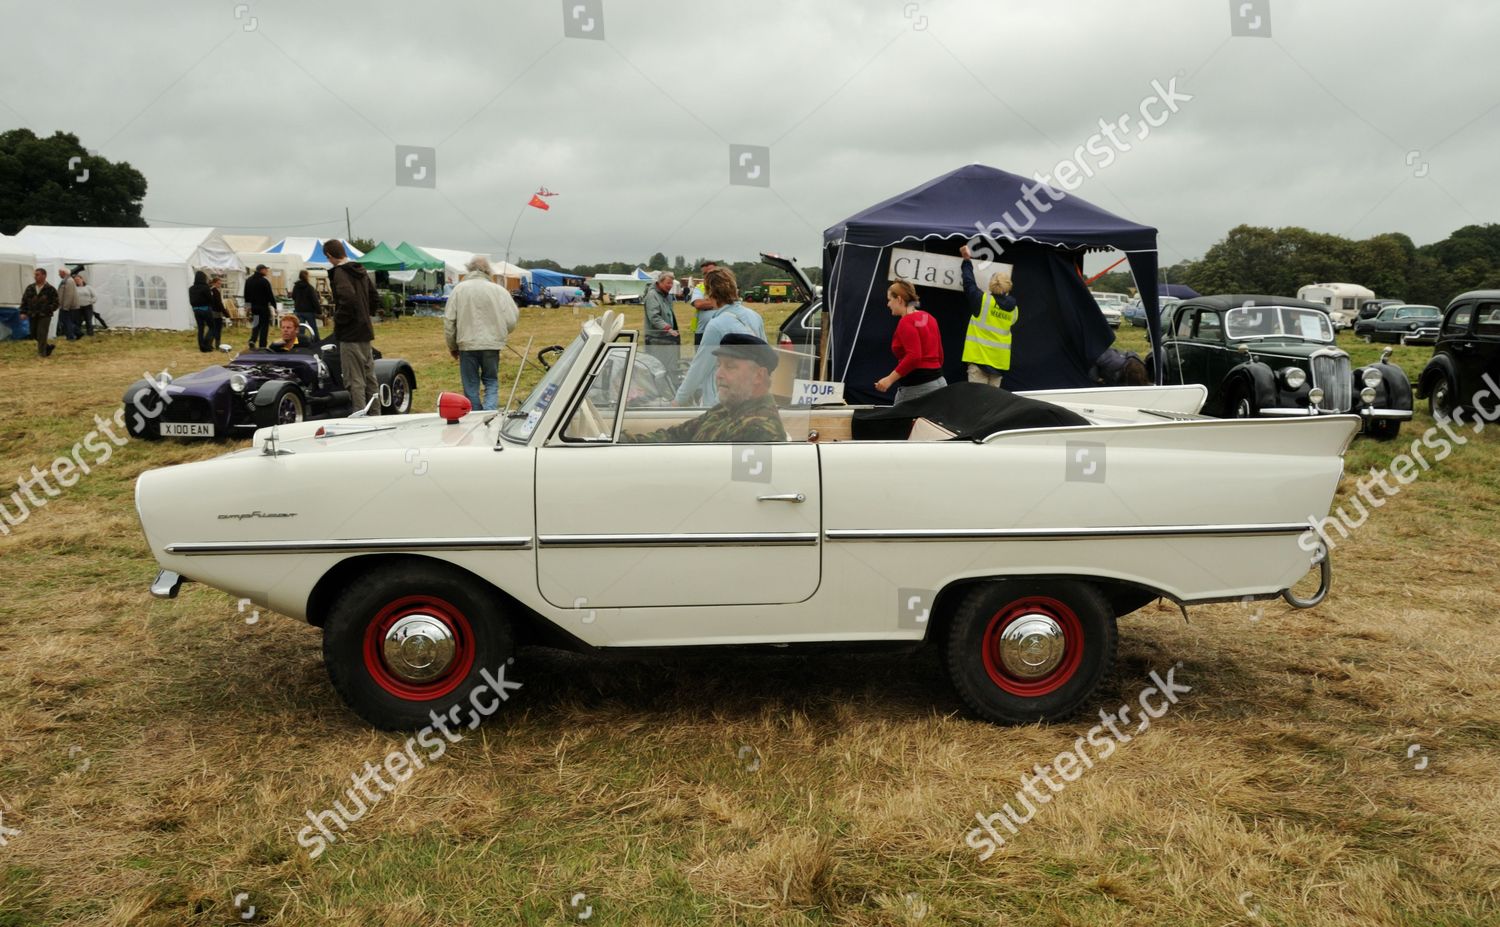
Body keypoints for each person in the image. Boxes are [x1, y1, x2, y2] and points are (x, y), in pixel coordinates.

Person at [621, 334, 785, 443]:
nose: (719, 374)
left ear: (758, 376)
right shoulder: (725, 411)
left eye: (730, 366)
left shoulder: (758, 429)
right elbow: (677, 435)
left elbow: (738, 488)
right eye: (718, 365)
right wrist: (626, 441)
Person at [674, 267, 765, 407]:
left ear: (710, 292)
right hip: (750, 398)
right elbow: (764, 359)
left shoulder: (716, 325)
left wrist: (679, 399)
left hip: (721, 402)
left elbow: (700, 367)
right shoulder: (755, 317)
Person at [444, 254, 519, 412]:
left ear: (469, 269)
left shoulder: (458, 290)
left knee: (470, 385)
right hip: (492, 344)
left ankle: (476, 415)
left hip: (466, 344)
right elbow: (512, 319)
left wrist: (452, 346)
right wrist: (500, 334)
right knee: (491, 381)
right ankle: (489, 413)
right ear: (487, 271)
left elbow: (449, 321)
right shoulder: (498, 290)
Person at [324, 239, 381, 415]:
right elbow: (374, 297)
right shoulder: (360, 270)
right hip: (365, 330)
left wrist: (340, 320)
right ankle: (375, 414)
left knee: (354, 379)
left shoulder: (341, 272)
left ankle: (360, 417)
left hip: (350, 332)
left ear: (329, 255)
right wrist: (365, 315)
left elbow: (347, 298)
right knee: (370, 377)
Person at [874, 280, 946, 403]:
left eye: (890, 299)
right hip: (940, 382)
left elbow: (914, 356)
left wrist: (889, 380)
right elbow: (940, 355)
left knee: (896, 421)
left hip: (917, 387)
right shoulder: (929, 317)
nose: (888, 304)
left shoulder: (906, 322)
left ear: (899, 299)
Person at [958, 245, 1018, 387]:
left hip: (979, 362)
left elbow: (969, 283)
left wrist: (967, 260)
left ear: (991, 284)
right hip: (998, 364)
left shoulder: (982, 301)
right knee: (993, 406)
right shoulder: (1014, 309)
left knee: (977, 405)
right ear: (1008, 286)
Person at [641, 270, 680, 375]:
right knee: (658, 367)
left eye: (672, 283)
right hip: (656, 339)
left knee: (669, 366)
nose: (670, 285)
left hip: (666, 337)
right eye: (668, 283)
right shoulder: (652, 295)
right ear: (660, 282)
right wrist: (668, 328)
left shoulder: (667, 296)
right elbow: (654, 317)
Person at [19, 267, 58, 358]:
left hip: (45, 315)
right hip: (32, 314)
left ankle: (42, 354)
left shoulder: (50, 289)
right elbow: (24, 300)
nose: (35, 277)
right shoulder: (30, 288)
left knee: (42, 333)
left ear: (44, 275)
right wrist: (23, 312)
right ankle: (47, 347)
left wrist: (48, 309)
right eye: (35, 275)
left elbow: (56, 302)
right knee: (33, 333)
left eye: (37, 275)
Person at [688, 259, 722, 344]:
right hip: (702, 331)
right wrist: (721, 301)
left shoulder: (726, 286)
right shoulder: (699, 287)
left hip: (722, 331)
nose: (708, 276)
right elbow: (698, 304)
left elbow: (732, 302)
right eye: (705, 274)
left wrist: (707, 301)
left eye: (710, 272)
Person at [243, 264, 276, 349]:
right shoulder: (264, 281)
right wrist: (274, 306)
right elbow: (270, 295)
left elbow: (246, 295)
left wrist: (247, 307)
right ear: (261, 270)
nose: (267, 271)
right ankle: (262, 345)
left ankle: (252, 340)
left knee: (255, 325)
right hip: (263, 308)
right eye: (266, 269)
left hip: (254, 308)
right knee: (264, 327)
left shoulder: (248, 280)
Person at [189, 270, 217, 352]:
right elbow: (210, 299)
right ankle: (206, 344)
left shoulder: (191, 288)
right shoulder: (205, 288)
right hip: (205, 309)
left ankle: (201, 346)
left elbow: (191, 301)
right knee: (212, 327)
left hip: (196, 310)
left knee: (200, 328)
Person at [291, 269, 321, 342]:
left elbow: (293, 296)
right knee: (313, 328)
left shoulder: (296, 286)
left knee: (300, 328)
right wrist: (319, 310)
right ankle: (316, 342)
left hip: (299, 310)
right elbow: (314, 300)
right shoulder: (310, 287)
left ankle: (300, 342)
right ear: (307, 276)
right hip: (309, 311)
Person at [56, 267, 79, 341]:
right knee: (66, 321)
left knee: (67, 321)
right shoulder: (66, 280)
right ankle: (76, 333)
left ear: (63, 272)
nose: (58, 274)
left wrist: (66, 307)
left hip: (68, 306)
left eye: (59, 272)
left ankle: (71, 336)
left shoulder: (69, 281)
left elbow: (69, 295)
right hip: (65, 306)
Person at [73, 271, 98, 336]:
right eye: (75, 280)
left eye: (78, 279)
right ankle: (78, 334)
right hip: (78, 307)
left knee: (88, 321)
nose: (77, 281)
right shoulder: (74, 288)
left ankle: (90, 334)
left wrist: (90, 302)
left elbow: (95, 296)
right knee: (78, 321)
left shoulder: (88, 287)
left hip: (88, 307)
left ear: (82, 279)